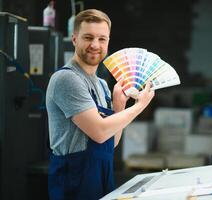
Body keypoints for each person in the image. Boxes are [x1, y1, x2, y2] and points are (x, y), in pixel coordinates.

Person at [46, 9, 154, 200]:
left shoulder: (102, 85)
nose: (95, 45)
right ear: (74, 39)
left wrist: (119, 108)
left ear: (108, 42)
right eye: (88, 37)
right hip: (75, 180)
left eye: (102, 39)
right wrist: (139, 106)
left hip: (101, 175)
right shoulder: (67, 79)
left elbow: (110, 142)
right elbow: (99, 132)